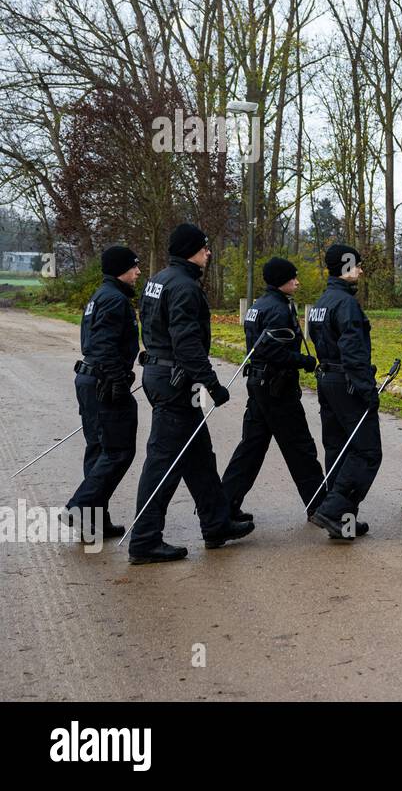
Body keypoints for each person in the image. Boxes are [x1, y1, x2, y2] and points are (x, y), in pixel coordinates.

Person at [129, 224, 253, 564]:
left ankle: (217, 524)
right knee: (163, 462)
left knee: (199, 455)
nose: (208, 253)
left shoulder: (158, 280)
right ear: (190, 251)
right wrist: (211, 383)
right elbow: (186, 341)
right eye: (204, 248)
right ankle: (144, 540)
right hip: (175, 380)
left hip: (161, 372)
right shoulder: (184, 287)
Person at [220, 258, 324, 522]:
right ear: (281, 281)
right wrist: (306, 362)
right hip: (278, 388)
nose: (298, 282)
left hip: (258, 386)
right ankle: (321, 506)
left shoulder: (257, 306)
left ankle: (223, 508)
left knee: (251, 449)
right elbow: (272, 351)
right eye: (293, 278)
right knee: (300, 448)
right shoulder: (278, 309)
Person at [63, 245, 141, 540]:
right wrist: (118, 379)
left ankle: (95, 521)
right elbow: (102, 344)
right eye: (134, 267)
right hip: (102, 382)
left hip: (90, 379)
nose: (137, 272)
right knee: (118, 451)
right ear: (121, 269)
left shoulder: (101, 296)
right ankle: (80, 507)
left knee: (98, 450)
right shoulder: (114, 299)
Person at [308, 244, 382, 540]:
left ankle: (343, 521)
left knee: (338, 448)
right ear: (346, 266)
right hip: (346, 381)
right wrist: (367, 390)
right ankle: (333, 510)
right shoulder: (346, 304)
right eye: (358, 265)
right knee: (366, 451)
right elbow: (353, 352)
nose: (361, 270)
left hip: (327, 379)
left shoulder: (322, 301)